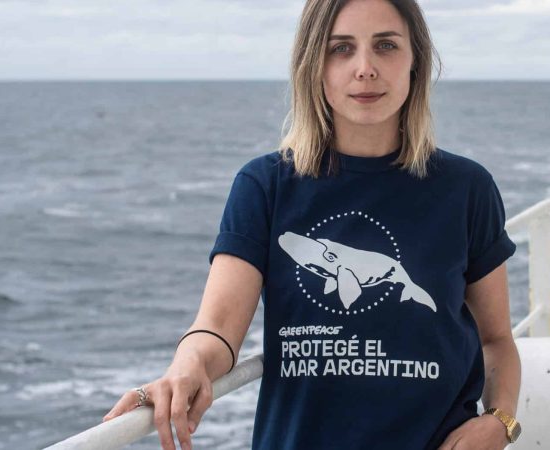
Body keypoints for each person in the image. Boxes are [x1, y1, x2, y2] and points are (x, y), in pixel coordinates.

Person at [102, 1, 522, 449]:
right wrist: (185, 365)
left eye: (386, 46)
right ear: (312, 64)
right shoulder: (264, 186)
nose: (365, 68)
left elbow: (496, 339)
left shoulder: (466, 189)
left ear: (415, 60)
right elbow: (218, 329)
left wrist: (499, 421)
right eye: (340, 48)